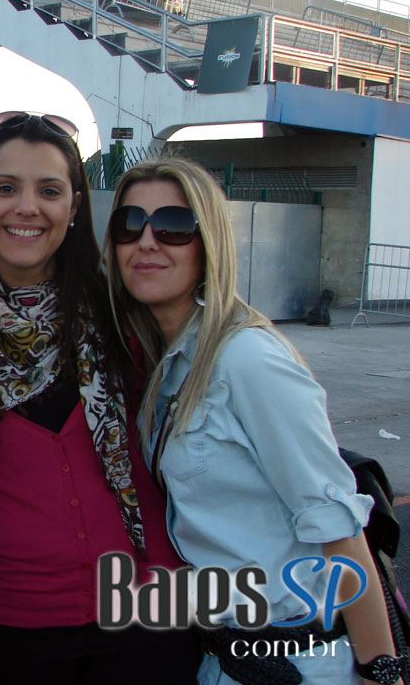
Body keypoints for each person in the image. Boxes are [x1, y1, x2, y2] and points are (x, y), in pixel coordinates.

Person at [0, 112, 201, 684]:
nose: (27, 207)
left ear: (74, 207)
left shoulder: (130, 317)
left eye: (49, 190)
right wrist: (12, 499)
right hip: (14, 623)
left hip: (153, 612)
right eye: (6, 188)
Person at [106, 156, 403, 685]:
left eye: (174, 226)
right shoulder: (171, 362)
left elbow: (337, 525)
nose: (147, 241)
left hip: (300, 659)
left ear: (209, 244)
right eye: (130, 224)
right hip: (227, 656)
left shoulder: (247, 358)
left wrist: (381, 668)